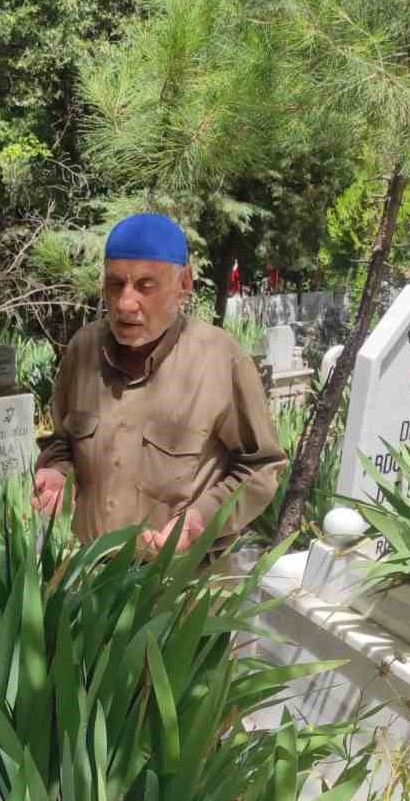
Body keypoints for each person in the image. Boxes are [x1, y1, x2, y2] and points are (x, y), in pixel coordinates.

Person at [31, 213, 285, 553]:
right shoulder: (84, 349)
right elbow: (60, 441)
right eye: (115, 284)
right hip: (92, 577)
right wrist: (58, 473)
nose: (125, 303)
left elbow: (260, 468)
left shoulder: (221, 360)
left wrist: (201, 519)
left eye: (145, 286)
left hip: (180, 584)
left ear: (184, 285)